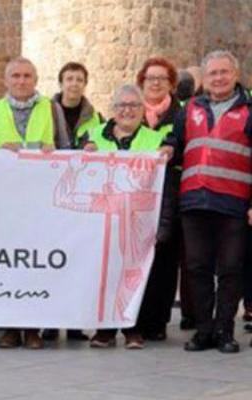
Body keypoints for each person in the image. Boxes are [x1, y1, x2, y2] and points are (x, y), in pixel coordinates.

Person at [160, 50, 252, 353]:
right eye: (213, 73)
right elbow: (174, 140)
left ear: (235, 75)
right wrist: (168, 149)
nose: (219, 78)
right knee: (197, 268)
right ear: (205, 78)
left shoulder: (249, 110)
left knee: (230, 268)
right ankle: (203, 330)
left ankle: (225, 330)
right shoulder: (189, 109)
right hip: (194, 201)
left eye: (224, 72)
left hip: (234, 203)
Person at [0, 57, 68, 350]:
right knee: (6, 264)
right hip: (3, 201)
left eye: (27, 76)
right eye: (15, 76)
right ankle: (9, 327)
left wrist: (52, 152)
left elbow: (67, 150)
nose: (21, 81)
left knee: (36, 265)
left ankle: (33, 328)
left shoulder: (51, 109)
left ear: (36, 79)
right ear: (5, 81)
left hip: (42, 201)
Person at [70, 84, 166, 349]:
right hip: (102, 221)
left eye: (134, 106)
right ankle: (105, 330)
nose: (128, 111)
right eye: (122, 106)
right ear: (112, 110)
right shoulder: (92, 137)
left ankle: (133, 328)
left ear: (142, 109)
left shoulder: (155, 140)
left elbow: (164, 184)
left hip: (138, 220)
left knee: (134, 274)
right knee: (105, 274)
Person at [42, 62, 102, 342]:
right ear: (61, 82)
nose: (74, 84)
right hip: (51, 190)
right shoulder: (46, 111)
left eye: (79, 79)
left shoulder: (95, 117)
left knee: (77, 258)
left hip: (80, 191)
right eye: (69, 78)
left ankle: (76, 321)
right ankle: (52, 321)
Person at [130, 57, 183, 342]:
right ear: (142, 82)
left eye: (162, 78)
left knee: (164, 259)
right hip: (136, 197)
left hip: (169, 196)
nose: (156, 82)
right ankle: (133, 318)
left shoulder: (181, 114)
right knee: (134, 259)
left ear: (171, 84)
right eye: (150, 78)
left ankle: (158, 321)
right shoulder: (129, 112)